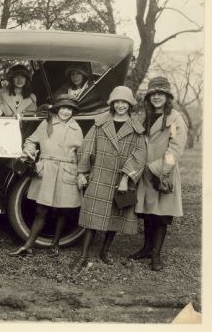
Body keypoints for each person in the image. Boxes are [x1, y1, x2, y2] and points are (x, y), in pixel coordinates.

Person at [72, 86, 147, 272]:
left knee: (115, 216)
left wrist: (125, 178)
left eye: (124, 102)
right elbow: (87, 148)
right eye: (117, 102)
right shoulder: (100, 123)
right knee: (92, 218)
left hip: (121, 180)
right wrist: (82, 172)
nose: (121, 105)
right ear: (112, 103)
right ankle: (83, 256)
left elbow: (140, 155)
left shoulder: (136, 128)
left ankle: (104, 251)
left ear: (130, 105)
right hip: (99, 176)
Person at [10, 94, 83, 257]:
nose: (66, 112)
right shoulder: (46, 123)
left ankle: (55, 244)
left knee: (62, 210)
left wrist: (81, 173)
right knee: (41, 209)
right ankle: (28, 244)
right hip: (47, 170)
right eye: (63, 108)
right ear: (57, 109)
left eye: (70, 109)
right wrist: (28, 152)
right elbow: (30, 140)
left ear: (73, 112)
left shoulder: (76, 128)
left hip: (66, 171)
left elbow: (82, 153)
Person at [132, 76, 187, 271]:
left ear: (167, 96)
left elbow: (176, 147)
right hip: (145, 171)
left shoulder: (174, 118)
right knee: (148, 212)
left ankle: (156, 255)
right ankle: (146, 248)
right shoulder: (144, 116)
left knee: (161, 214)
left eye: (160, 93)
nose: (156, 97)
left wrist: (160, 168)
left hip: (163, 173)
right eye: (153, 94)